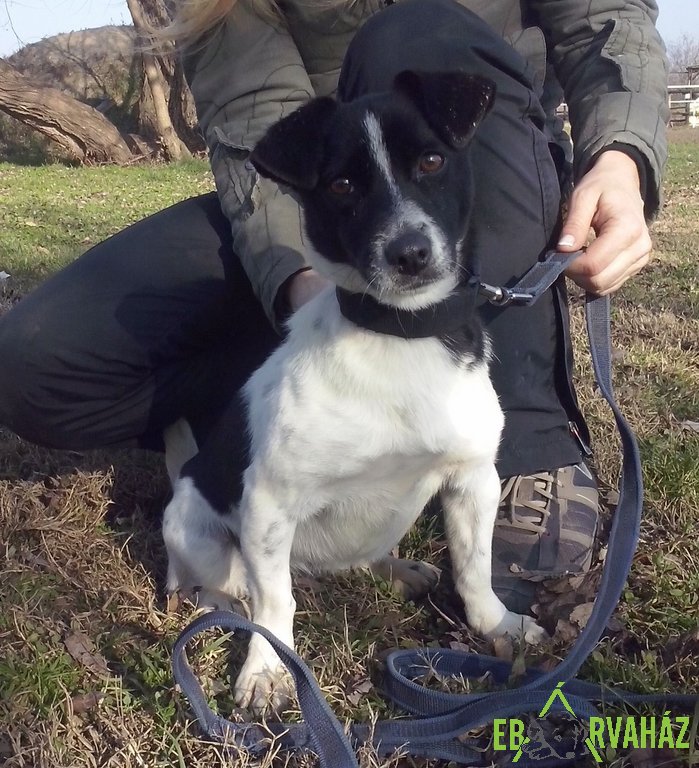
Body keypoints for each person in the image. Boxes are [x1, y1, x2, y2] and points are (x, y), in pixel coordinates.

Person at [0, 0, 667, 611]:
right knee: (34, 362)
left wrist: (621, 156)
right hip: (323, 183)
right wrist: (297, 280)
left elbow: (602, 16)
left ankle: (528, 447)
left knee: (416, 30)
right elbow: (256, 112)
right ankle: (250, 428)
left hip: (490, 151)